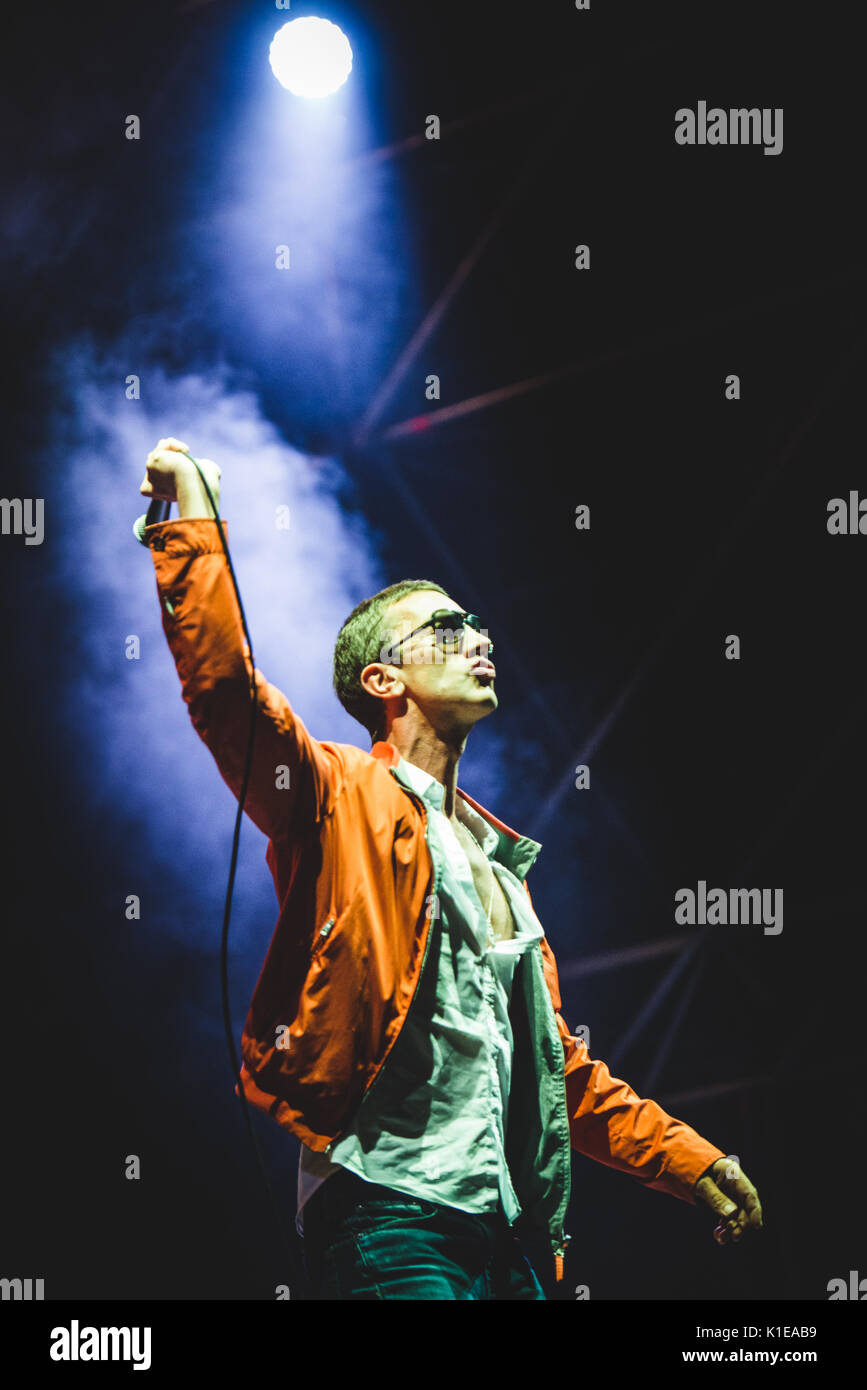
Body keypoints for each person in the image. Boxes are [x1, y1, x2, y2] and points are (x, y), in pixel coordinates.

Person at [139, 437, 763, 1301]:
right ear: (381, 678)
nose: (479, 638)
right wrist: (196, 521)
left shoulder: (504, 869)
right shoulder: (335, 793)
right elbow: (227, 695)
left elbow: (554, 1069)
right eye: (446, 627)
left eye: (475, 623)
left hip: (510, 1237)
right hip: (384, 1208)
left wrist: (689, 1161)